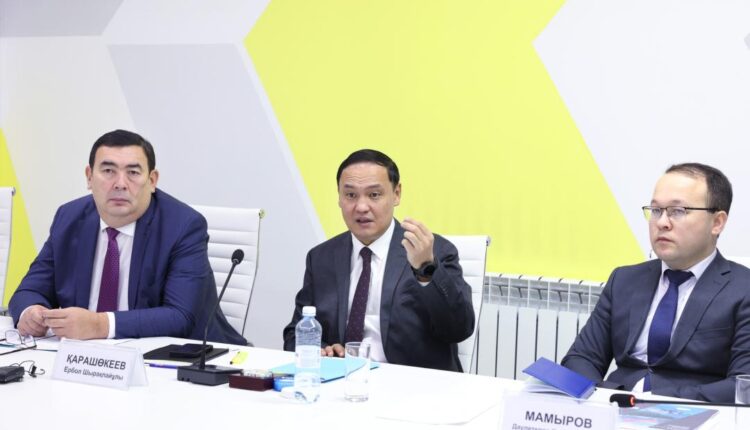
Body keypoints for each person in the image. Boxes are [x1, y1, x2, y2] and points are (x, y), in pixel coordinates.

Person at [9, 129, 246, 345]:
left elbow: (180, 316)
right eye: (108, 171)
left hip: (180, 360)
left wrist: (100, 325)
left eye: (133, 172)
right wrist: (31, 312)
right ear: (89, 177)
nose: (120, 184)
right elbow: (28, 291)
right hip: (85, 358)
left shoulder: (183, 226)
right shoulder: (69, 218)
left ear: (152, 181)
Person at [562, 163, 750, 402]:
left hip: (695, 414)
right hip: (615, 408)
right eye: (656, 210)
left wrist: (651, 402)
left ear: (717, 222)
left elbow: (744, 384)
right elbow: (581, 358)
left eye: (678, 211)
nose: (662, 222)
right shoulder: (624, 279)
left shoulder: (743, 289)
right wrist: (601, 400)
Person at [282, 149, 475, 371]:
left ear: (396, 194)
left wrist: (426, 269)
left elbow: (459, 329)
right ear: (339, 197)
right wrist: (321, 349)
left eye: (374, 195)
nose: (361, 207)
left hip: (410, 384)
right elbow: (295, 333)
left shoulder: (433, 251)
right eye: (350, 195)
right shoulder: (321, 258)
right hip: (344, 380)